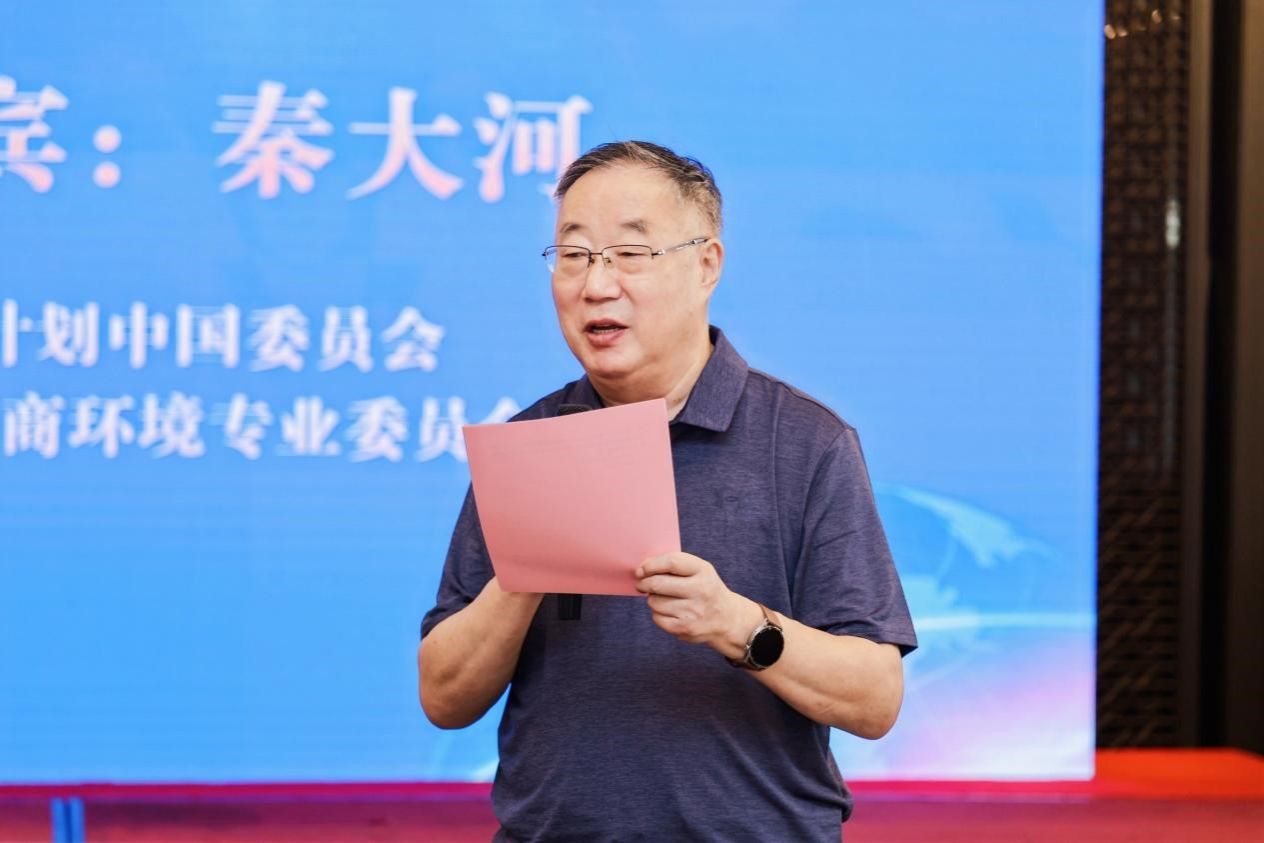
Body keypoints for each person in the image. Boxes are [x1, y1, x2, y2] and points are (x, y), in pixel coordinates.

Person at [419, 141, 917, 842]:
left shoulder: (806, 442)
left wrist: (735, 624)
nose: (597, 284)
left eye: (630, 253)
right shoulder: (529, 442)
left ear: (706, 264)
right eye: (574, 254)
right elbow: (443, 696)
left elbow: (875, 698)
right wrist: (525, 572)